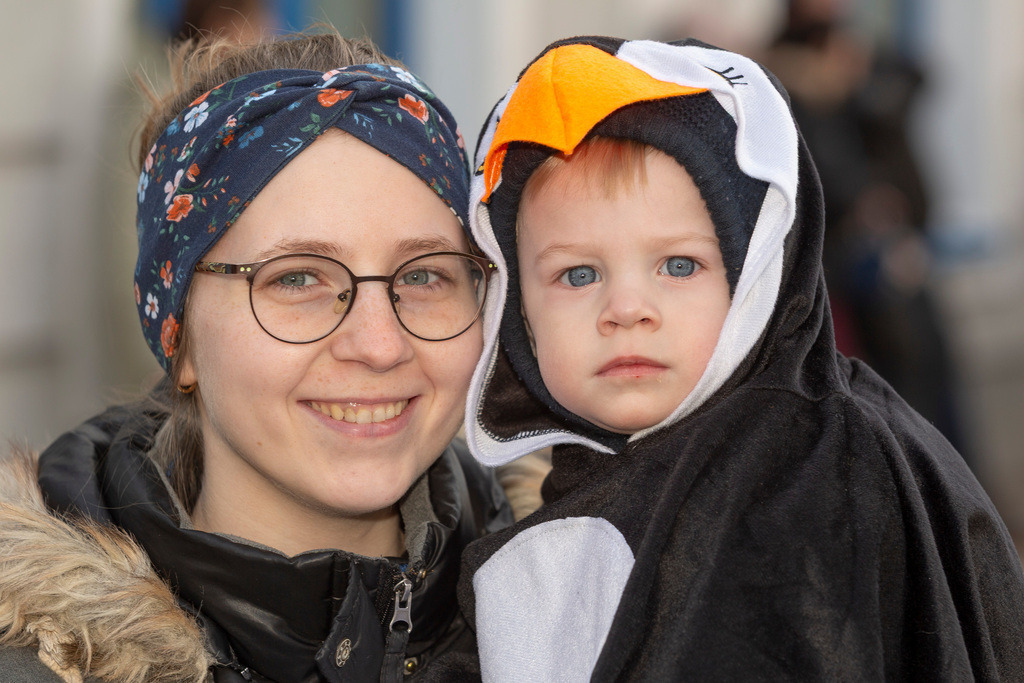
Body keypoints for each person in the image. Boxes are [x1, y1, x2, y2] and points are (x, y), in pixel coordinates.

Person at [458, 36, 1024, 681]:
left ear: (759, 276)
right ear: (516, 310)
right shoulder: (584, 498)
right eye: (578, 274)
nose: (626, 308)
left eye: (679, 265)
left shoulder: (805, 483)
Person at [0, 29, 511, 682]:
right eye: (297, 278)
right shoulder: (32, 660)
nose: (380, 344)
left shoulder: (586, 611)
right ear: (181, 338)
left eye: (424, 274)